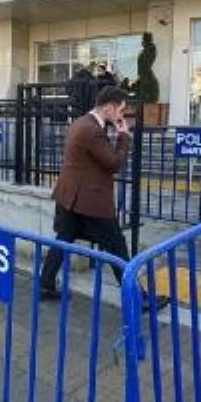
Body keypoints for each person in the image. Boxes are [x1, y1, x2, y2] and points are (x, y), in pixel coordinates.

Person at [39, 86, 133, 297]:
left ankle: (46, 284)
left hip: (71, 195)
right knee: (117, 246)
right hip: (89, 199)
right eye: (120, 110)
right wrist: (123, 136)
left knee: (63, 239)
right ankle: (137, 297)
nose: (122, 116)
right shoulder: (92, 130)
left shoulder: (81, 122)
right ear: (108, 108)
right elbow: (113, 163)